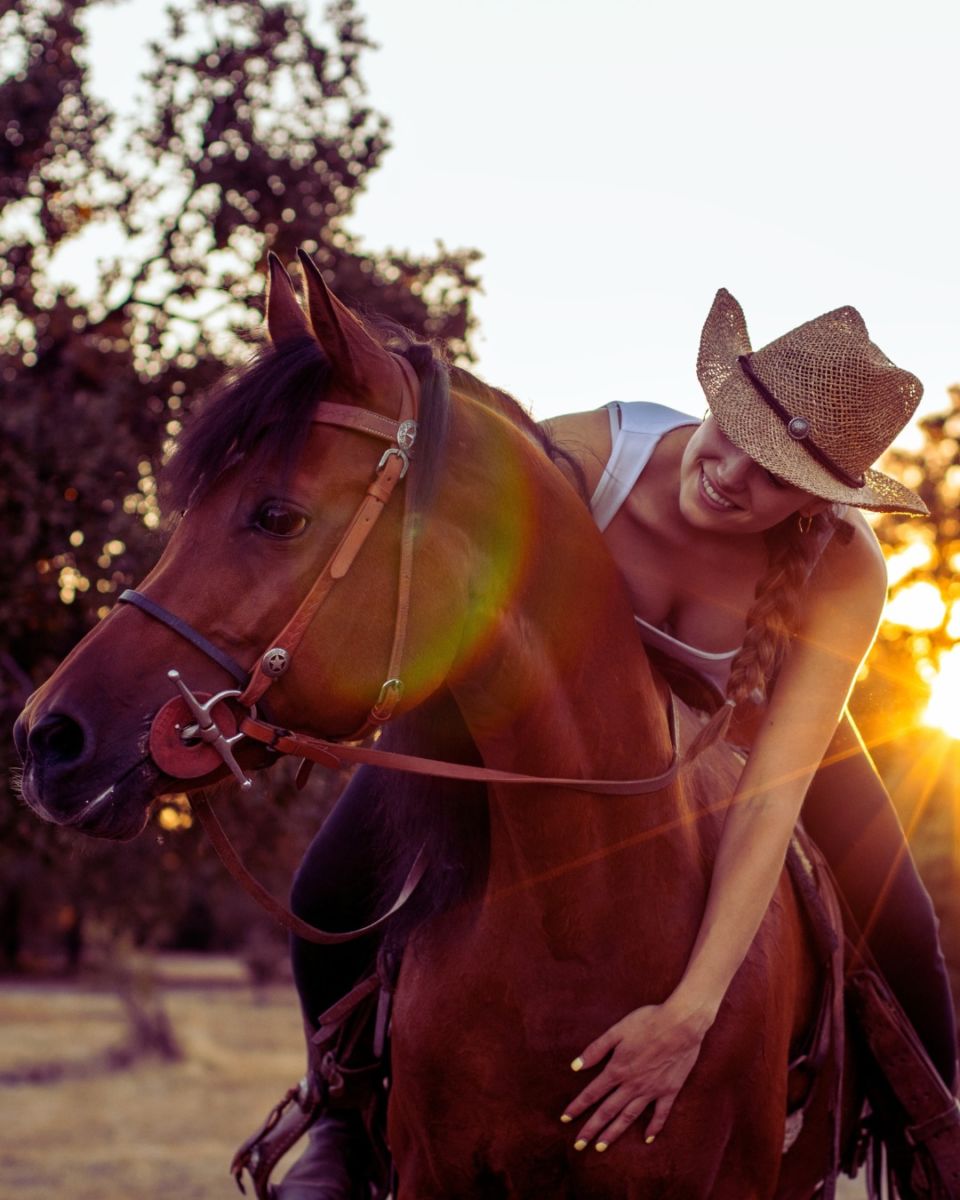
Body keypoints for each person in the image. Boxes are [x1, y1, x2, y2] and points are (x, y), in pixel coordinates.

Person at [252, 289, 957, 1197]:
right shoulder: (587, 459)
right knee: (330, 887)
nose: (734, 475)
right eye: (734, 433)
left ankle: (937, 1143)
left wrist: (692, 1012)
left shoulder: (847, 570)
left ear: (821, 499)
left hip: (743, 720)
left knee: (903, 916)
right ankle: (340, 1118)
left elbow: (771, 797)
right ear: (714, 398)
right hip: (530, 714)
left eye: (777, 475)